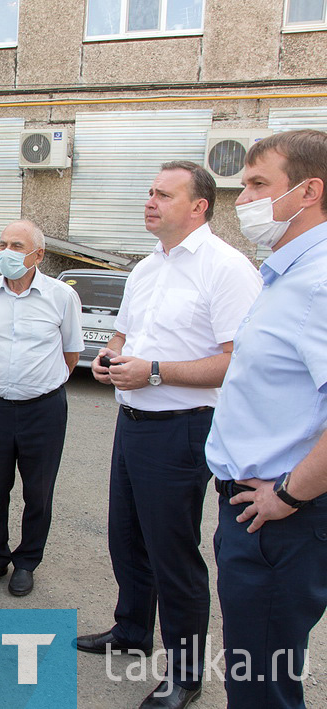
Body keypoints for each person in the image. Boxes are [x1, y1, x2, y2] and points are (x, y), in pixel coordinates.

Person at [72, 161, 262, 709]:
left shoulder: (227, 269)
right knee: (125, 536)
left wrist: (155, 371)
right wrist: (110, 359)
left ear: (199, 206)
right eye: (148, 192)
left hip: (182, 429)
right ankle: (131, 630)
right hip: (132, 424)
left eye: (163, 194)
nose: (150, 201)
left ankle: (185, 674)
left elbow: (235, 361)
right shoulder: (146, 267)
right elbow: (125, 332)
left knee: (172, 552)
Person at [205, 129, 327, 709]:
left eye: (258, 184)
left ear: (309, 191)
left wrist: (289, 495)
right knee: (252, 673)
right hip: (255, 510)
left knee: (261, 687)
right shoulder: (286, 273)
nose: (243, 199)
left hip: (280, 520)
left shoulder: (319, 282)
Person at [0, 220, 82, 597]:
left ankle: (27, 561)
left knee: (39, 491)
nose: (6, 252)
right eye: (2, 244)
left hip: (43, 410)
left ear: (38, 255)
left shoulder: (62, 296)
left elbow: (71, 353)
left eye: (17, 245)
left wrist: (37, 384)